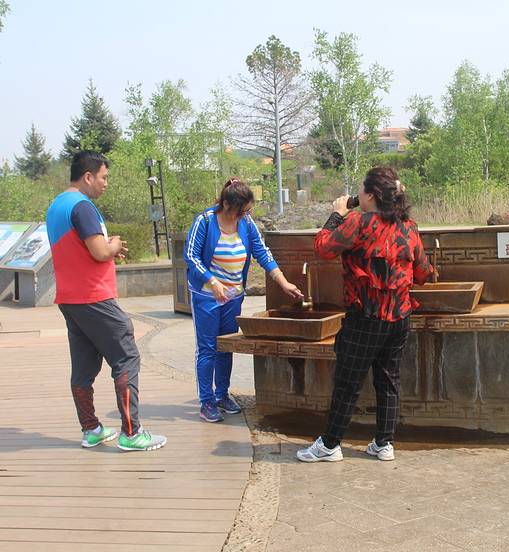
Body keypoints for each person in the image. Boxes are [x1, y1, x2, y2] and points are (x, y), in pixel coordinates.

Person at [297, 167, 433, 463]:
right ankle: (384, 443)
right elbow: (423, 273)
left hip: (366, 317)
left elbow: (322, 248)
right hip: (400, 317)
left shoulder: (358, 222)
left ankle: (329, 445)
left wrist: (336, 214)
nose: (357, 193)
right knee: (389, 380)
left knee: (348, 382)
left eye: (361, 188)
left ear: (370, 195)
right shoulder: (409, 226)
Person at [46, 151, 167, 452]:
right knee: (127, 357)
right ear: (88, 176)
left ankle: (91, 429)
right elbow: (100, 252)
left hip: (70, 299)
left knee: (83, 367)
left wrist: (109, 248)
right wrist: (112, 245)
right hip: (94, 297)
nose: (106, 183)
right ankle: (131, 433)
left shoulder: (57, 205)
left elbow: (83, 248)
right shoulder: (82, 206)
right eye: (104, 177)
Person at [184, 177, 303, 423]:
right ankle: (206, 401)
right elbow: (191, 256)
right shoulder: (204, 221)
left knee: (226, 345)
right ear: (227, 205)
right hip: (207, 295)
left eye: (248, 211)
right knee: (207, 348)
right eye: (242, 211)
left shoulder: (246, 223)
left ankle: (222, 394)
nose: (246, 215)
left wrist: (283, 282)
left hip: (233, 295)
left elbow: (262, 252)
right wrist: (212, 281)